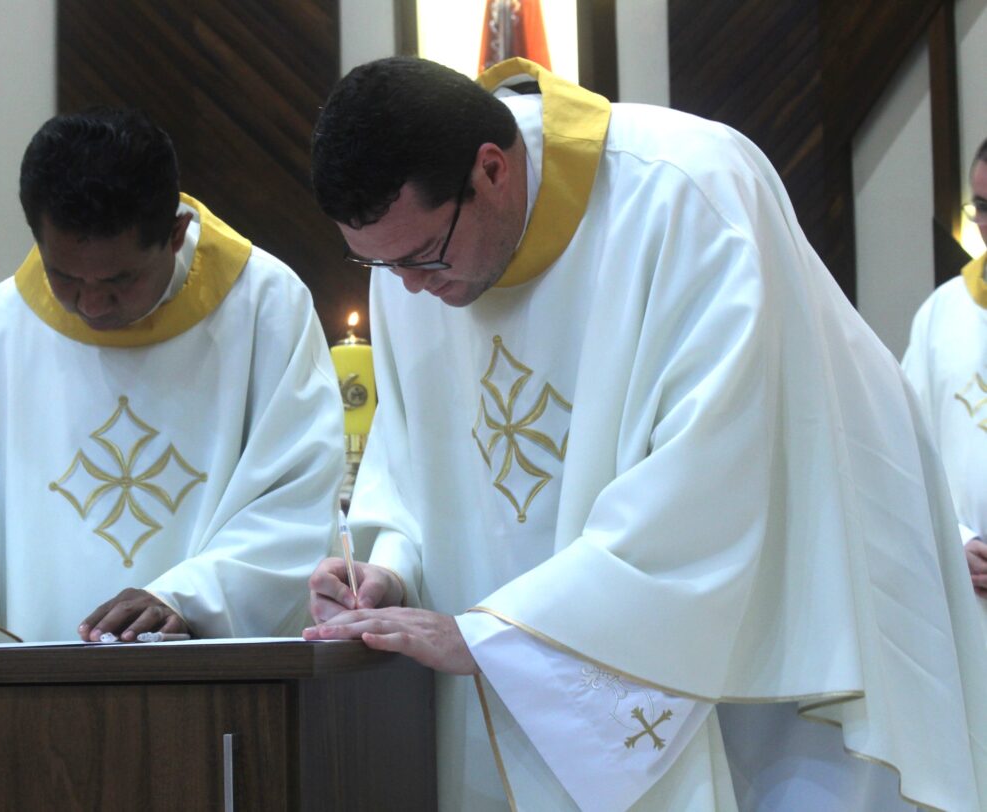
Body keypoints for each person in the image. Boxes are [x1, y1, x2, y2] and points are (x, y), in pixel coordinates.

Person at [303, 57, 987, 811]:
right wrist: (390, 571)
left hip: (767, 666)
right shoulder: (413, 260)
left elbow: (713, 486)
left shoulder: (687, 192)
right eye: (378, 264)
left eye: (422, 257)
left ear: (492, 170)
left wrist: (496, 636)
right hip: (524, 689)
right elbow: (407, 465)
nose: (409, 287)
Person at [0, 108, 344, 650]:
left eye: (120, 279)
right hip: (29, 691)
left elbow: (296, 498)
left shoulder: (265, 310)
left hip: (214, 683)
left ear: (176, 233)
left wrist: (187, 598)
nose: (91, 303)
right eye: (64, 276)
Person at [903, 136, 987, 600]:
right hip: (969, 593)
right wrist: (955, 539)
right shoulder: (941, 315)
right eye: (983, 207)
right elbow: (905, 447)